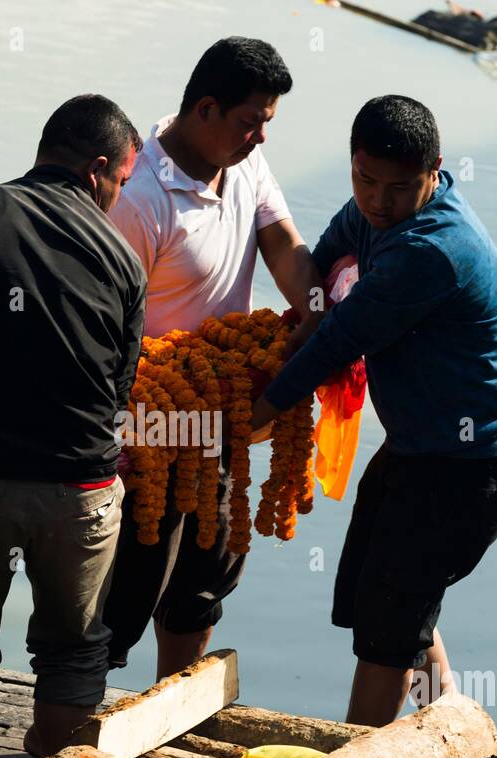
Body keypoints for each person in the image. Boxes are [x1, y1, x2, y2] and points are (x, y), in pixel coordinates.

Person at [249, 95, 497, 726]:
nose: (377, 202)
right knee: (392, 604)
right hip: (415, 448)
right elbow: (330, 259)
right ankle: (447, 731)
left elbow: (341, 339)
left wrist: (260, 411)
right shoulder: (374, 210)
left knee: (386, 630)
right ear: (356, 165)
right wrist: (304, 311)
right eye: (364, 180)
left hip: (470, 468)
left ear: (434, 171)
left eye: (398, 188)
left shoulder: (430, 250)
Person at [0, 94, 145, 758]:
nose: (118, 198)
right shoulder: (124, 259)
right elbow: (120, 389)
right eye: (122, 183)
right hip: (81, 488)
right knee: (76, 653)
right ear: (99, 169)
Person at [102, 36, 322, 680]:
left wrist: (319, 315)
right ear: (205, 110)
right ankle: (69, 723)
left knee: (207, 570)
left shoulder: (247, 164)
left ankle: (174, 709)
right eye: (250, 121)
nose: (259, 137)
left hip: (224, 407)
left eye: (267, 124)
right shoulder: (140, 196)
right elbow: (113, 327)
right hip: (154, 418)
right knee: (134, 576)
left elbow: (283, 243)